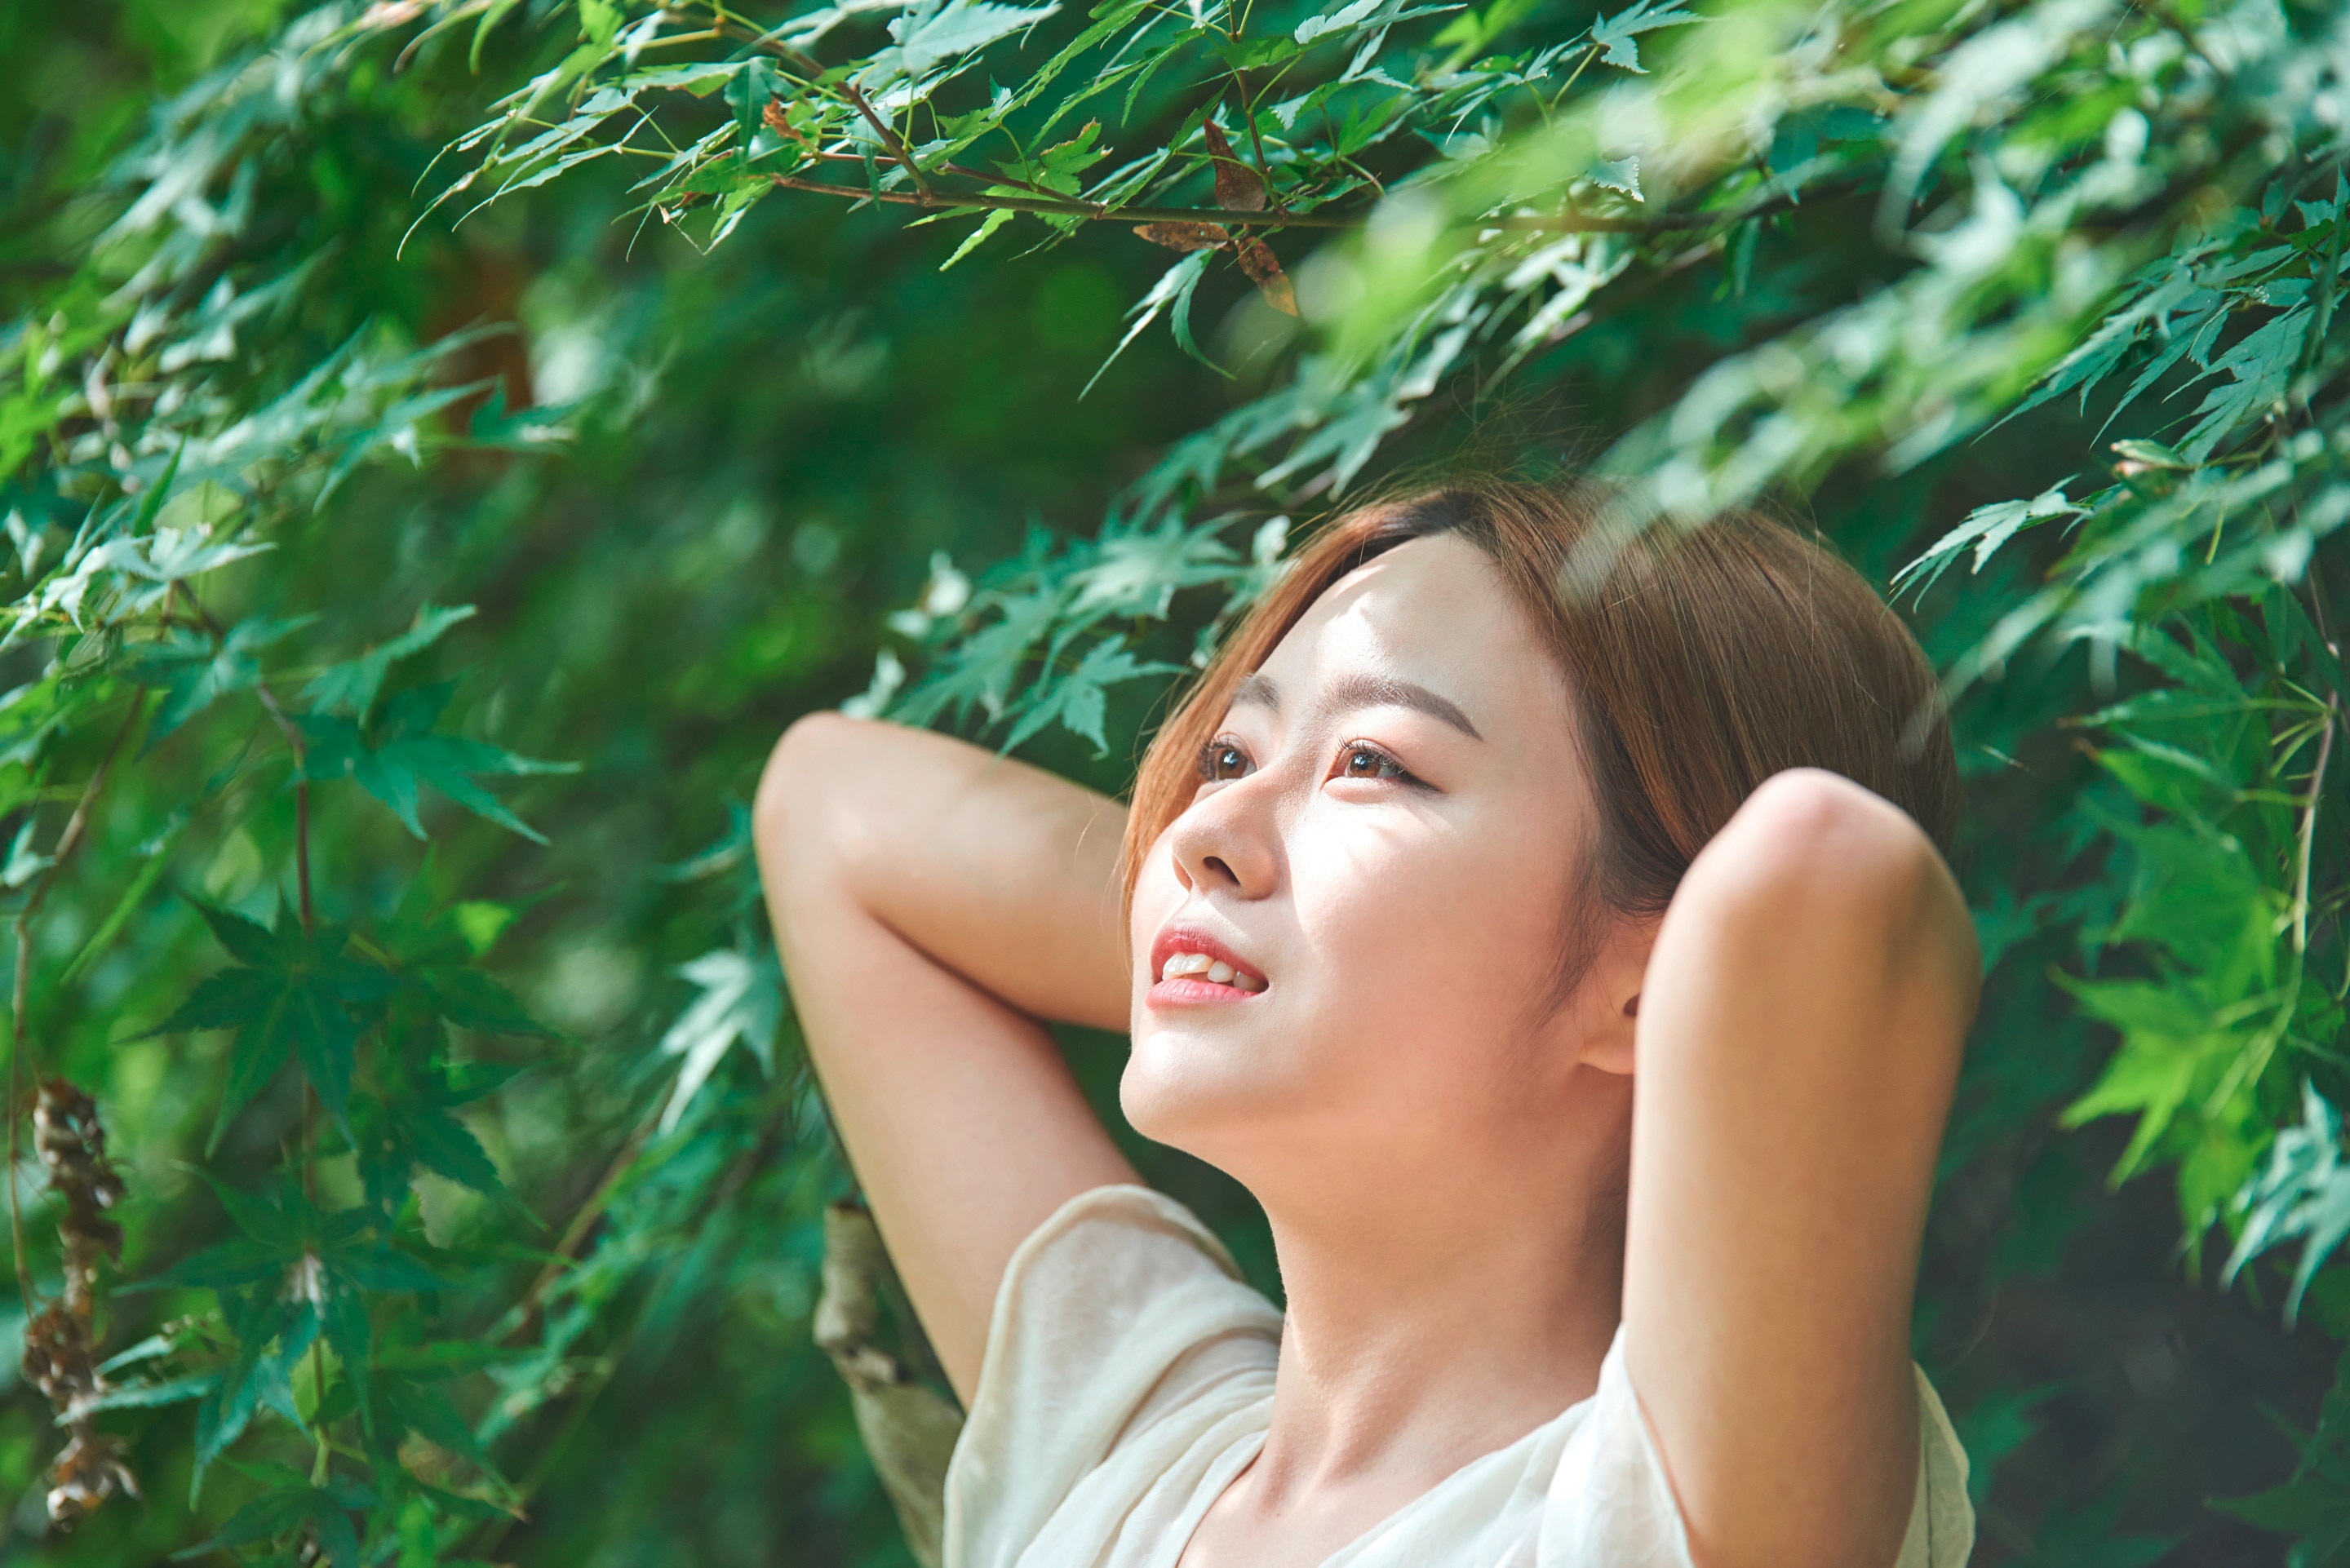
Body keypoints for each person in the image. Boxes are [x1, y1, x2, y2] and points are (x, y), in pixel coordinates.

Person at [754, 479, 1981, 1568]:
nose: (1199, 837)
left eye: (1376, 765)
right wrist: (1241, 961)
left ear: (1654, 985)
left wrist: (1352, 981)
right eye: (1231, 754)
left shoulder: (1654, 1514)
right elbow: (829, 803)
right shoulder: (1121, 1469)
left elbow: (1824, 870)